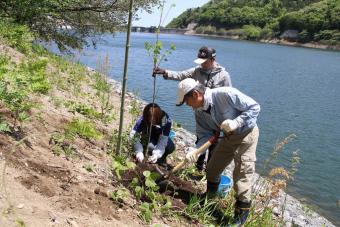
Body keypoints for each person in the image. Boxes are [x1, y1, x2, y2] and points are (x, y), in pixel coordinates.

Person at [176, 78, 260, 226]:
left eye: (187, 101)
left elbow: (255, 107)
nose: (188, 106)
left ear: (195, 94)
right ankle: (210, 199)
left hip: (246, 134)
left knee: (242, 175)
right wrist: (195, 152)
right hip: (227, 137)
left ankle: (239, 218)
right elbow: (204, 135)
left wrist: (236, 122)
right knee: (212, 169)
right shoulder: (199, 112)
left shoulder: (225, 94)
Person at [153, 46, 232, 171]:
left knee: (214, 144)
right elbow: (181, 75)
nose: (202, 65)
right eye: (200, 62)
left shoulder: (223, 76)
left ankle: (209, 171)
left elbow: (228, 97)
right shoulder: (197, 71)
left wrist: (226, 119)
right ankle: (198, 166)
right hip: (200, 113)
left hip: (216, 116)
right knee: (201, 139)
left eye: (205, 62)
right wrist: (165, 72)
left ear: (213, 59)